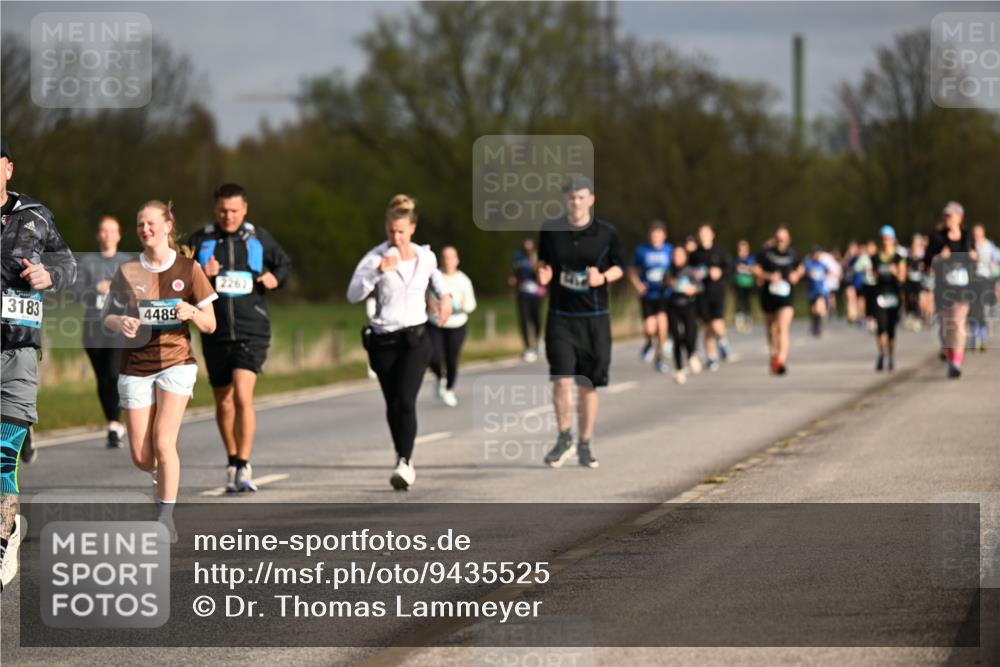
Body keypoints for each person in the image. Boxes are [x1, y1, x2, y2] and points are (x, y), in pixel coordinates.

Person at [104, 200, 217, 539]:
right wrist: (120, 320)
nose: (145, 229)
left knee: (163, 441)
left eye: (151, 223)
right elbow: (106, 318)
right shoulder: (128, 270)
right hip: (136, 364)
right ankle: (162, 475)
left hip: (176, 363)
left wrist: (192, 313)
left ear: (168, 226)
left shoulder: (188, 269)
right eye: (140, 224)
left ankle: (165, 516)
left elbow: (210, 324)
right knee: (141, 456)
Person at [0, 137, 77, 592]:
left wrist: (49, 275)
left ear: (7, 167)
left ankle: (3, 537)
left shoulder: (35, 215)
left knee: (3, 456)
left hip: (18, 350)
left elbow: (68, 265)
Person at [184, 183, 291, 493]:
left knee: (243, 396)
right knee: (224, 401)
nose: (228, 216)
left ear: (245, 209)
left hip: (251, 329)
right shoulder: (202, 239)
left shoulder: (258, 237)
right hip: (215, 330)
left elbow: (283, 264)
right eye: (222, 210)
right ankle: (232, 459)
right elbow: (179, 277)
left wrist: (275, 278)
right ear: (214, 209)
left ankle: (244, 464)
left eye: (234, 211)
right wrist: (201, 272)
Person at [347, 195, 452, 490]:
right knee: (393, 404)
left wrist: (445, 299)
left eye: (402, 231)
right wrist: (377, 272)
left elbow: (438, 282)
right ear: (386, 228)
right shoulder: (374, 258)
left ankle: (405, 462)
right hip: (383, 340)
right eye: (391, 231)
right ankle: (401, 454)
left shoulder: (425, 256)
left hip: (416, 338)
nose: (396, 237)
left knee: (406, 401)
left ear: (412, 229)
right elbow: (353, 294)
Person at [537, 176, 624, 470]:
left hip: (594, 319)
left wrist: (603, 277)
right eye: (571, 197)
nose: (576, 202)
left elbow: (619, 267)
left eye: (581, 197)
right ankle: (564, 438)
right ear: (565, 200)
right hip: (561, 317)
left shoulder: (606, 232)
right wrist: (544, 274)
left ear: (591, 199)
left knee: (587, 385)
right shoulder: (551, 230)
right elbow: (544, 262)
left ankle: (585, 443)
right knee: (561, 379)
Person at [71, 216, 133, 448]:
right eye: (103, 231)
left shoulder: (127, 263)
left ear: (119, 235)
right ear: (99, 235)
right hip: (93, 327)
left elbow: (138, 295)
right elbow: (76, 294)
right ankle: (112, 421)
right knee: (103, 378)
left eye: (112, 230)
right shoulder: (87, 263)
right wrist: (95, 289)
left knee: (113, 373)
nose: (107, 235)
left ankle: (115, 425)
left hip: (118, 327)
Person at [926, 201, 977, 379]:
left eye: (952, 215)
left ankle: (956, 362)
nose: (948, 218)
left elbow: (973, 258)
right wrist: (940, 257)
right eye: (946, 215)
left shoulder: (967, 236)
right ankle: (950, 356)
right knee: (947, 327)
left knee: (958, 322)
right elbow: (926, 262)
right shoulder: (937, 237)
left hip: (963, 287)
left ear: (960, 218)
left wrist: (973, 257)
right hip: (943, 287)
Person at [427, 245, 476, 407]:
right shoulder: (435, 277)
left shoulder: (463, 280)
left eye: (451, 257)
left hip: (457, 324)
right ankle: (440, 377)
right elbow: (425, 297)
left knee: (451, 358)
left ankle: (449, 389)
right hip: (435, 323)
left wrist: (462, 305)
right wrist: (429, 304)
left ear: (457, 260)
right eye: (445, 257)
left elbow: (471, 304)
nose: (448, 261)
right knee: (432, 356)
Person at [754, 226, 804, 376]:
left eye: (784, 238)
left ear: (788, 240)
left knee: (782, 327)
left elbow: (801, 267)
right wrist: (769, 276)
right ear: (775, 239)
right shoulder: (765, 253)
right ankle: (774, 355)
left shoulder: (793, 253)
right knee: (771, 329)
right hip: (768, 296)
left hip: (786, 297)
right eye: (779, 238)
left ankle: (781, 361)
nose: (781, 241)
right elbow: (755, 269)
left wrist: (796, 275)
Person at [628, 220, 672, 373]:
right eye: (653, 234)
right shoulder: (641, 251)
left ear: (664, 236)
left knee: (662, 324)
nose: (656, 237)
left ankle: (660, 358)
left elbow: (680, 265)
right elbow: (632, 270)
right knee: (649, 328)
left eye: (659, 234)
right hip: (648, 295)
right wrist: (637, 285)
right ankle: (649, 343)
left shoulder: (669, 250)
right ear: (649, 235)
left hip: (664, 294)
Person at [690, 224, 731, 371]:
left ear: (712, 235)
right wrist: (693, 275)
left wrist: (719, 272)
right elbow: (688, 272)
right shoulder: (694, 255)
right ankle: (711, 357)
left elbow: (729, 268)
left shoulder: (720, 252)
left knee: (717, 325)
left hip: (717, 292)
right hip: (701, 294)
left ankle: (722, 341)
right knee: (707, 326)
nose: (703, 236)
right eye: (701, 233)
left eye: (706, 233)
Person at [870, 226, 907, 372]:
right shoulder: (876, 257)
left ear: (893, 239)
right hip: (880, 295)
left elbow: (903, 278)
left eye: (888, 238)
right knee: (880, 327)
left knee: (891, 328)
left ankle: (891, 357)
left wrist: (895, 272)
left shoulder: (899, 258)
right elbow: (873, 276)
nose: (885, 242)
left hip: (894, 296)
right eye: (883, 239)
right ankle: (881, 353)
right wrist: (875, 274)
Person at [666, 244, 703, 384]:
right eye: (675, 255)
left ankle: (691, 354)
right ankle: (679, 369)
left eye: (680, 255)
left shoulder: (691, 271)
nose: (677, 258)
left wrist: (693, 289)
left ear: (685, 257)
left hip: (689, 306)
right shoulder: (669, 271)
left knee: (690, 334)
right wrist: (669, 283)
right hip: (673, 307)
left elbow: (700, 286)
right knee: (676, 337)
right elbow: (664, 285)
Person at [509, 238, 545, 362]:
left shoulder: (538, 257)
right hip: (522, 294)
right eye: (526, 250)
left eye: (530, 250)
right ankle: (527, 347)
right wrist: (513, 280)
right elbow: (515, 273)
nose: (528, 252)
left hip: (536, 294)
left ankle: (538, 341)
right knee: (524, 320)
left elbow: (542, 274)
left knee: (536, 319)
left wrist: (536, 266)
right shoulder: (518, 258)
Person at [970, 223, 998, 351]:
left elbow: (995, 262)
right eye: (975, 232)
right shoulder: (970, 245)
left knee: (982, 309)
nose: (977, 235)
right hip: (971, 279)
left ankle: (982, 338)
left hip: (985, 279)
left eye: (979, 232)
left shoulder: (989, 245)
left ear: (983, 232)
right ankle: (974, 338)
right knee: (973, 309)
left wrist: (992, 265)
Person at [803, 246, 830, 337]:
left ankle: (818, 327)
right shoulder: (808, 263)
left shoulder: (822, 264)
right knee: (813, 309)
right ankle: (814, 325)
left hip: (820, 289)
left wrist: (826, 276)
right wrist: (809, 274)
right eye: (816, 254)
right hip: (811, 289)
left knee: (819, 308)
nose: (817, 255)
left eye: (819, 253)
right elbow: (806, 273)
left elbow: (828, 271)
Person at [903, 235, 927, 331]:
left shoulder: (922, 258)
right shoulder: (907, 258)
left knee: (919, 299)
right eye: (914, 245)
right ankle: (910, 316)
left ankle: (918, 317)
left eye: (917, 245)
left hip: (919, 282)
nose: (915, 247)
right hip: (909, 282)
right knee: (909, 299)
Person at [732, 240, 756, 334]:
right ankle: (739, 322)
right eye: (740, 250)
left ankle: (748, 321)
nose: (742, 252)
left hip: (748, 284)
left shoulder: (751, 259)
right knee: (738, 303)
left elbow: (754, 270)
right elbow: (733, 270)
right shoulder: (735, 260)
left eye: (744, 250)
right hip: (738, 284)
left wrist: (745, 269)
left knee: (747, 303)